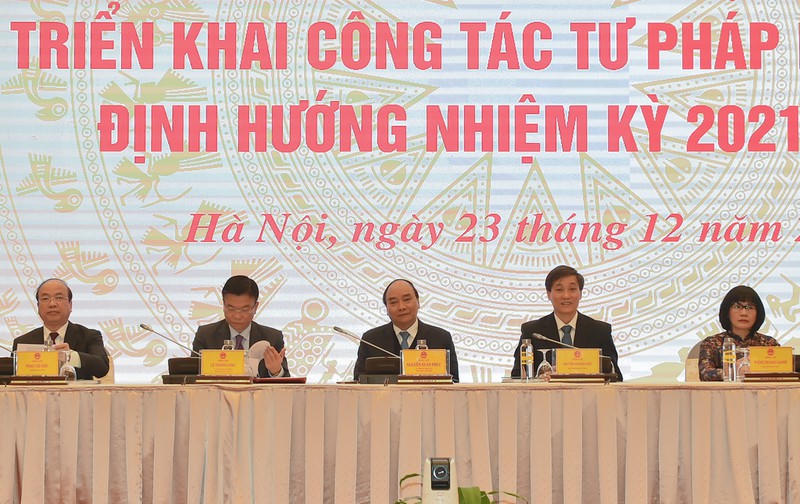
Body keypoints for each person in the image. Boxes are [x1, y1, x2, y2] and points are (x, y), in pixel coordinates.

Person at [511, 265, 623, 380]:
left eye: (572, 289)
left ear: (580, 293)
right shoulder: (533, 332)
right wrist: (539, 378)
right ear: (549, 294)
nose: (566, 296)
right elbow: (517, 375)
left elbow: (616, 376)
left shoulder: (600, 331)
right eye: (559, 290)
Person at [354, 279, 459, 382]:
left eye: (407, 299)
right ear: (386, 309)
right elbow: (358, 382)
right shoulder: (370, 340)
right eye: (393, 302)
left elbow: (454, 382)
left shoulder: (441, 338)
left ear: (418, 302)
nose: (401, 307)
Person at [192, 275, 290, 377]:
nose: (237, 316)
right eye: (231, 308)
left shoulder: (272, 338)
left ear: (255, 307)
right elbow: (192, 375)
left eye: (244, 309)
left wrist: (276, 371)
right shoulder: (205, 335)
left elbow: (286, 381)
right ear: (223, 305)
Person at [13, 278, 109, 379]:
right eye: (45, 298)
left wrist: (70, 356)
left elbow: (102, 368)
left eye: (59, 298)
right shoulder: (23, 342)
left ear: (70, 305)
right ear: (38, 306)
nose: (52, 304)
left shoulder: (89, 336)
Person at [698, 285, 778, 381]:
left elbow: (783, 373)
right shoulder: (712, 343)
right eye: (737, 306)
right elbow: (705, 374)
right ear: (727, 312)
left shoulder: (769, 344)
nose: (744, 313)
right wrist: (734, 371)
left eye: (749, 307)